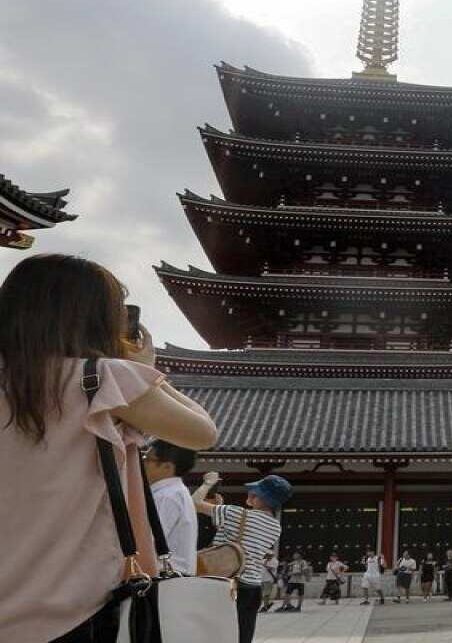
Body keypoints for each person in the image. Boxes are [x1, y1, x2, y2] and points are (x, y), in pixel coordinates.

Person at [0, 254, 218, 643]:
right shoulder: (102, 379)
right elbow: (203, 432)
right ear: (93, 318)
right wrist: (148, 372)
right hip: (73, 608)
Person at [194, 472, 291, 643]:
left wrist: (208, 483)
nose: (250, 494)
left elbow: (194, 502)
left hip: (228, 585)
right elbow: (244, 539)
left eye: (254, 492)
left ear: (261, 497)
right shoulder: (276, 527)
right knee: (242, 637)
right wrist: (221, 509)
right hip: (253, 587)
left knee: (215, 635)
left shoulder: (236, 513)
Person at [143, 440, 200, 575]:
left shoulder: (166, 496)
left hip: (164, 578)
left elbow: (147, 542)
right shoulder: (176, 491)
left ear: (167, 467)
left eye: (147, 459)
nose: (142, 462)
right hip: (174, 579)